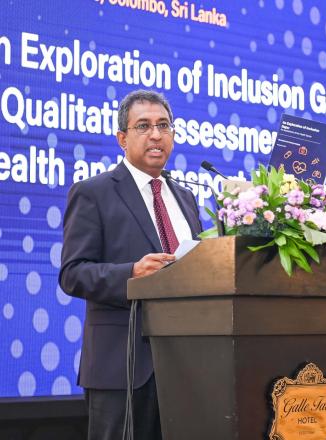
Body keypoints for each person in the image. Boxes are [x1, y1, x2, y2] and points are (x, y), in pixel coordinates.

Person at [59, 90, 202, 440]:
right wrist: (131, 273)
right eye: (144, 126)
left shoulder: (186, 197)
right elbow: (72, 273)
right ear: (122, 138)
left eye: (164, 125)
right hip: (121, 368)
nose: (156, 134)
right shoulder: (94, 192)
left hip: (186, 367)